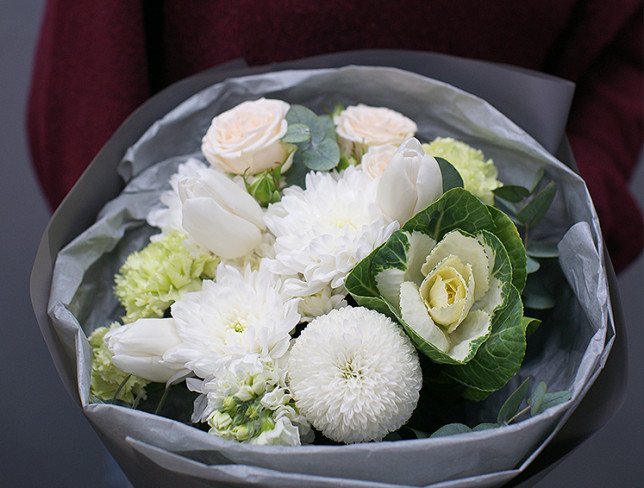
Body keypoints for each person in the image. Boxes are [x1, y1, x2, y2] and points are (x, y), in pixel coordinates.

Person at [28, 0, 643, 271]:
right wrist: (128, 250)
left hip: (491, 297)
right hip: (207, 303)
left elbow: (625, 53)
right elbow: (87, 70)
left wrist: (567, 209)